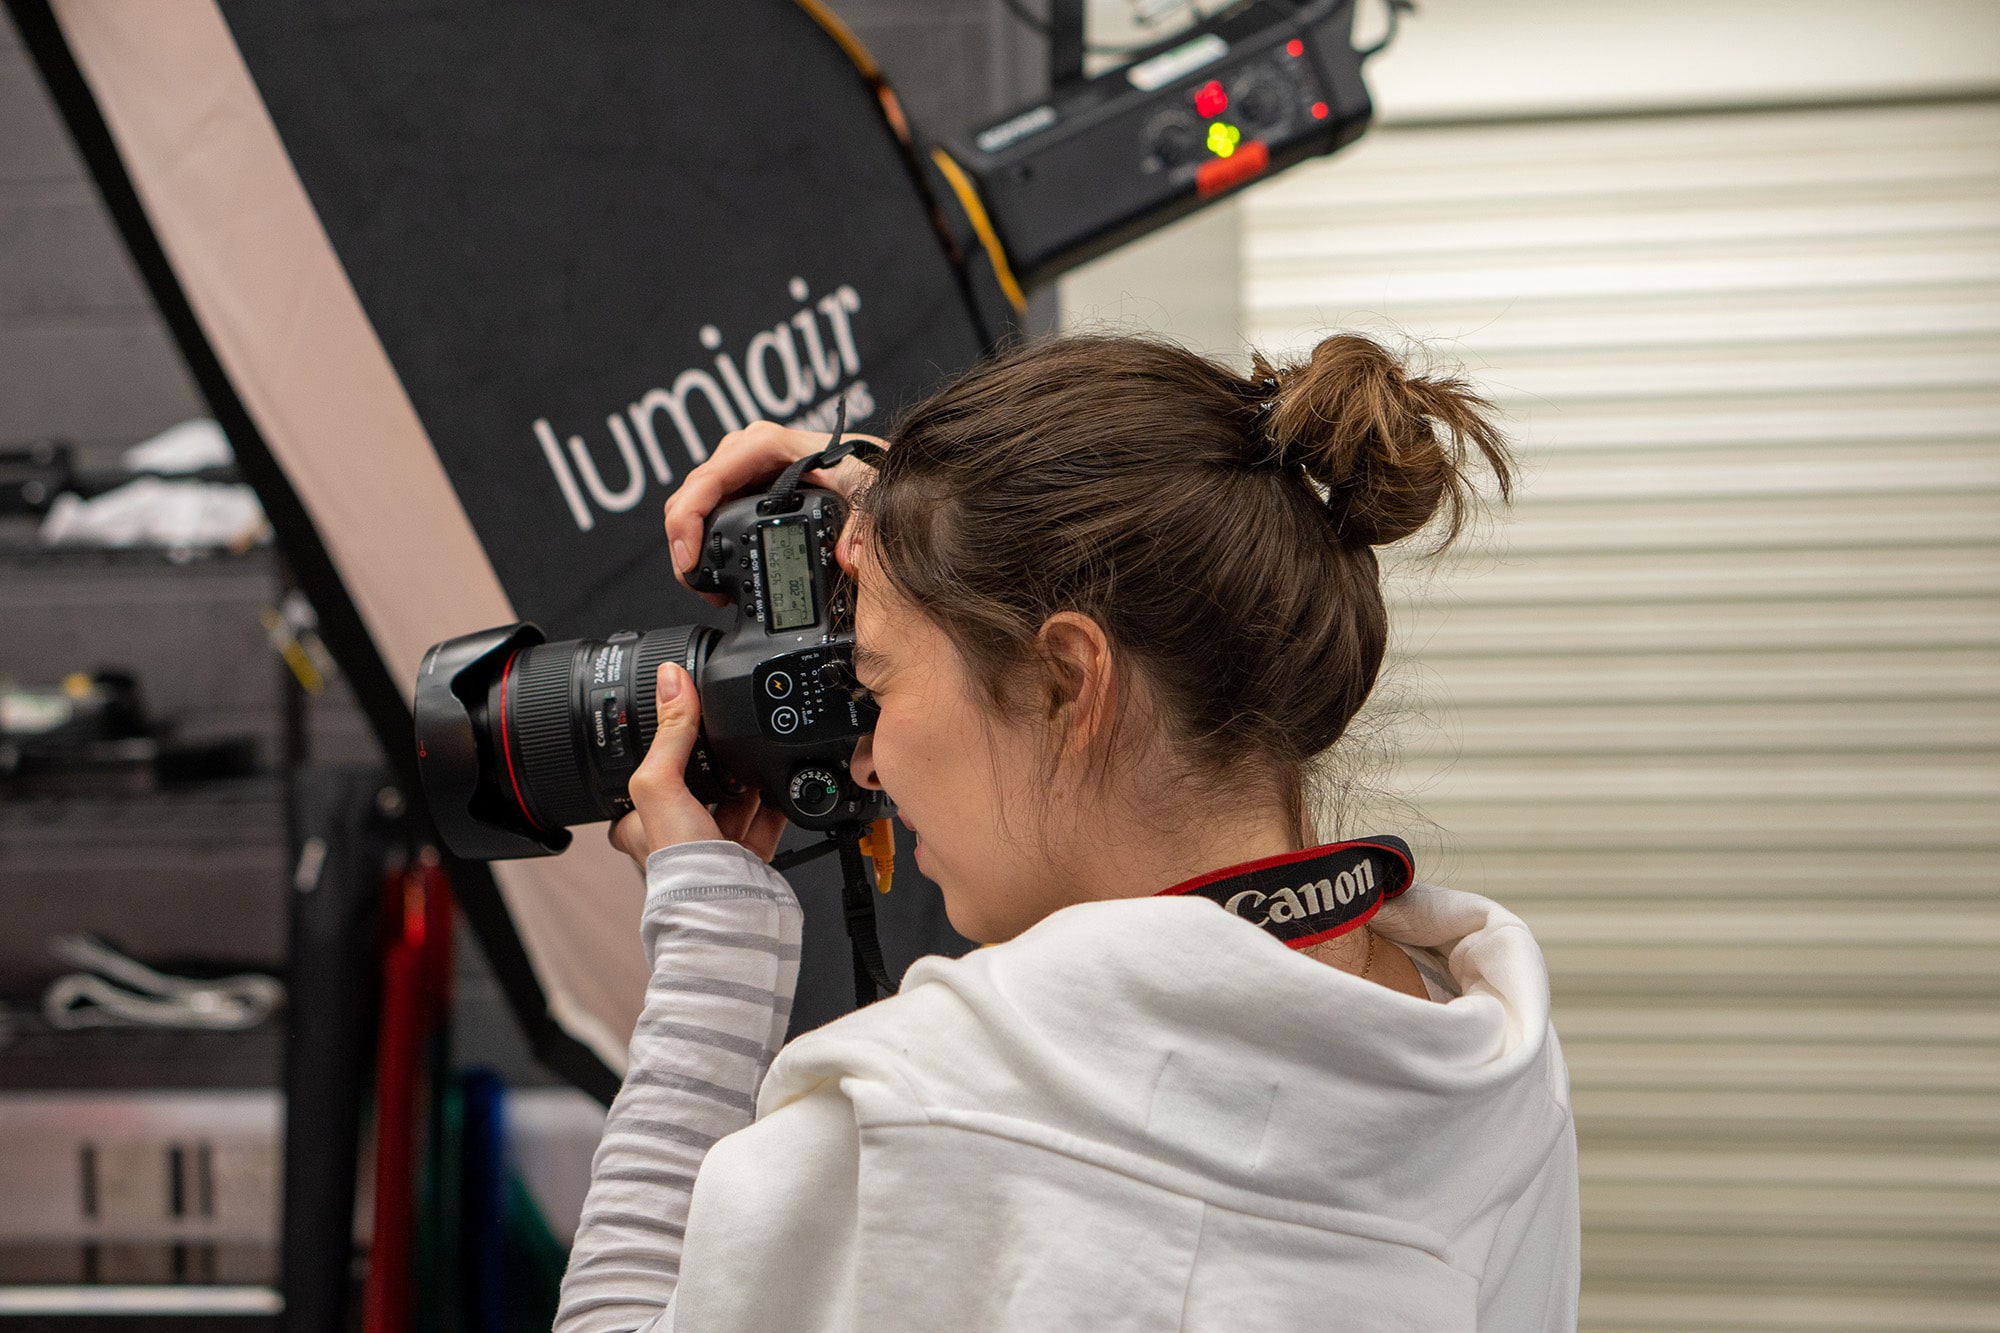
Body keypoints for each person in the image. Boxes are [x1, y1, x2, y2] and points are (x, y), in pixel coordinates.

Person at [554, 333, 1580, 1331]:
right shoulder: (1489, 1071)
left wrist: (711, 946)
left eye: (872, 677)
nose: (865, 760)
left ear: (1065, 678)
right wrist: (944, 526)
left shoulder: (929, 1113)